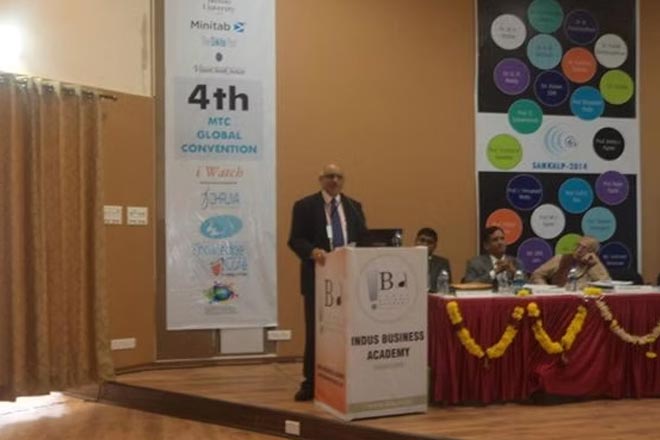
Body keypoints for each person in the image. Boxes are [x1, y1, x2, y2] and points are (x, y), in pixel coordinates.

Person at [287, 163, 367, 401]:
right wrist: (312, 251)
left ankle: (350, 380)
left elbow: (363, 238)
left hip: (349, 279)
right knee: (317, 332)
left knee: (348, 331)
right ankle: (310, 383)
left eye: (339, 177)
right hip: (318, 278)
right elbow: (295, 239)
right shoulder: (304, 206)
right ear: (320, 179)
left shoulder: (353, 207)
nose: (335, 180)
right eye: (330, 176)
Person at [529, 235, 610, 289]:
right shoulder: (561, 259)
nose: (578, 250)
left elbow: (605, 284)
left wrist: (594, 265)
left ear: (591, 252)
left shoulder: (594, 264)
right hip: (562, 299)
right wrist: (545, 289)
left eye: (584, 248)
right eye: (577, 245)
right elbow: (537, 275)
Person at [415, 227, 452, 292]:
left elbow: (446, 287)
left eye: (429, 242)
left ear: (435, 246)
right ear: (416, 241)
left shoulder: (442, 263)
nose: (425, 244)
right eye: (422, 240)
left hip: (434, 296)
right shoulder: (405, 260)